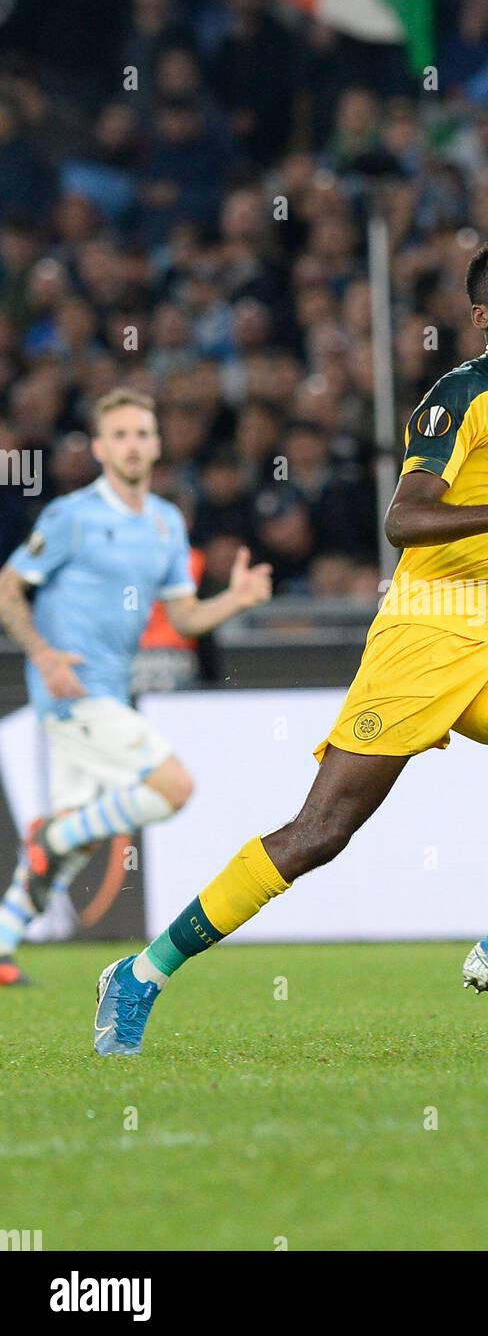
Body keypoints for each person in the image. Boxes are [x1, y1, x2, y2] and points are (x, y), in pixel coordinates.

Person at [94, 236, 488, 1056]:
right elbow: (404, 517)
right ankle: (142, 973)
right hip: (425, 630)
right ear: (481, 315)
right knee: (318, 833)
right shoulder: (458, 397)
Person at [0, 387, 272, 986]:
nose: (132, 445)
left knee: (67, 848)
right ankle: (55, 834)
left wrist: (234, 599)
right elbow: (8, 585)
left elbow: (182, 620)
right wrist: (44, 656)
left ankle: (2, 944)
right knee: (173, 787)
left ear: (156, 445)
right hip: (71, 690)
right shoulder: (72, 515)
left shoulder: (166, 522)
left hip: (110, 691)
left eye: (142, 434)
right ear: (99, 447)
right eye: (119, 434)